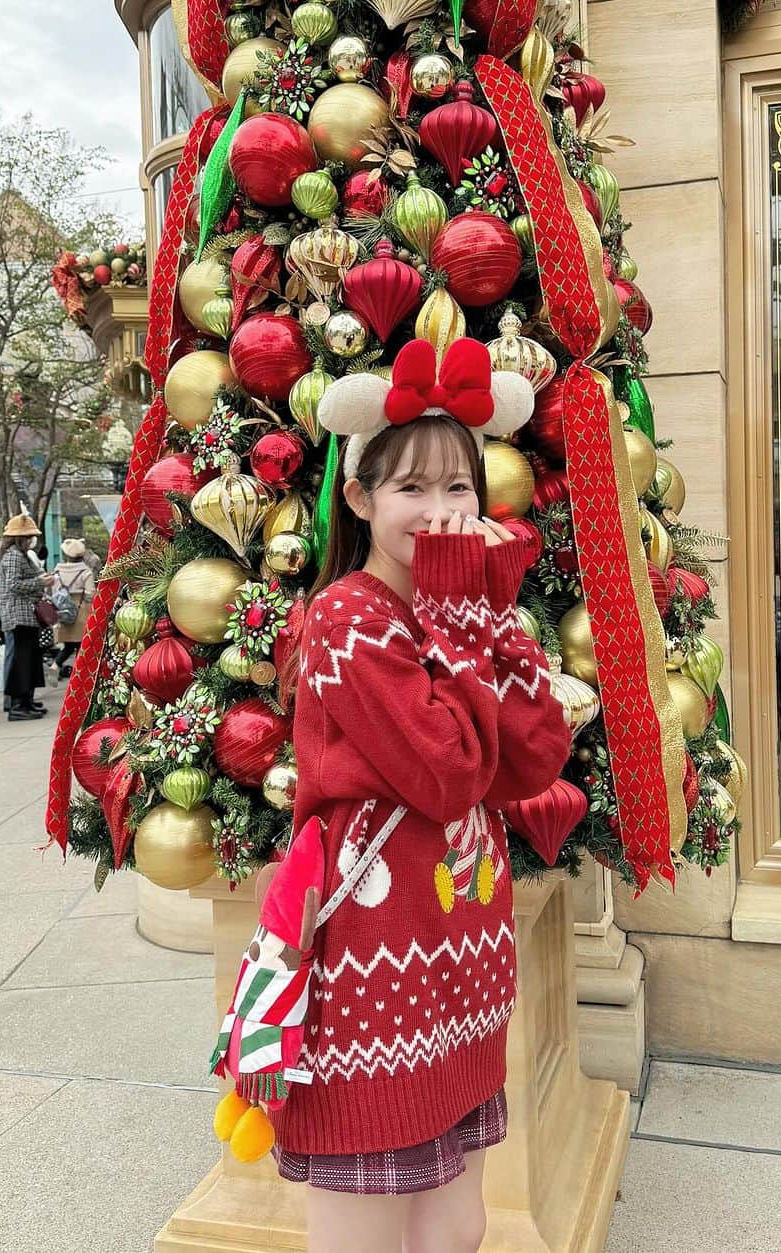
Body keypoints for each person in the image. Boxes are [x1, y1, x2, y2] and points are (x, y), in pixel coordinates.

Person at [268, 342, 570, 1253]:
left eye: (459, 490)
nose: (439, 513)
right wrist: (460, 620)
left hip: (462, 955)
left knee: (456, 1221)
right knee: (362, 1229)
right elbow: (443, 771)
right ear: (358, 498)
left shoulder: (468, 611)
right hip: (376, 969)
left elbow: (533, 758)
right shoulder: (348, 619)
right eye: (411, 489)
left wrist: (481, 625)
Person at [0, 514, 53, 721]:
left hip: (25, 616)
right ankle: (19, 704)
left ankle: (26, 701)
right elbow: (13, 584)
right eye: (28, 537)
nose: (31, 541)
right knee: (21, 661)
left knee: (27, 660)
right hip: (18, 615)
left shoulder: (18, 555)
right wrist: (40, 582)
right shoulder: (13, 556)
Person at [53, 538, 96, 677]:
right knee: (81, 645)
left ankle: (55, 665)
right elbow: (91, 594)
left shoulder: (57, 571)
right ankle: (79, 675)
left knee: (68, 644)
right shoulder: (86, 572)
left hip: (63, 611)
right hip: (81, 611)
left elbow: (55, 591)